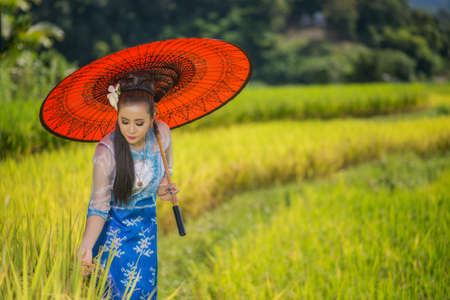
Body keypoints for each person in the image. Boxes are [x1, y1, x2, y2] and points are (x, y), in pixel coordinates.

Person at [76, 71, 179, 299]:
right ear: (117, 115)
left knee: (144, 292)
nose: (131, 130)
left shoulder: (162, 134)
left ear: (153, 118)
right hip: (114, 237)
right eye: (124, 121)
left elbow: (165, 174)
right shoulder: (107, 151)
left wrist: (163, 189)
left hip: (146, 234)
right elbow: (98, 206)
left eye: (139, 123)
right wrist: (86, 246)